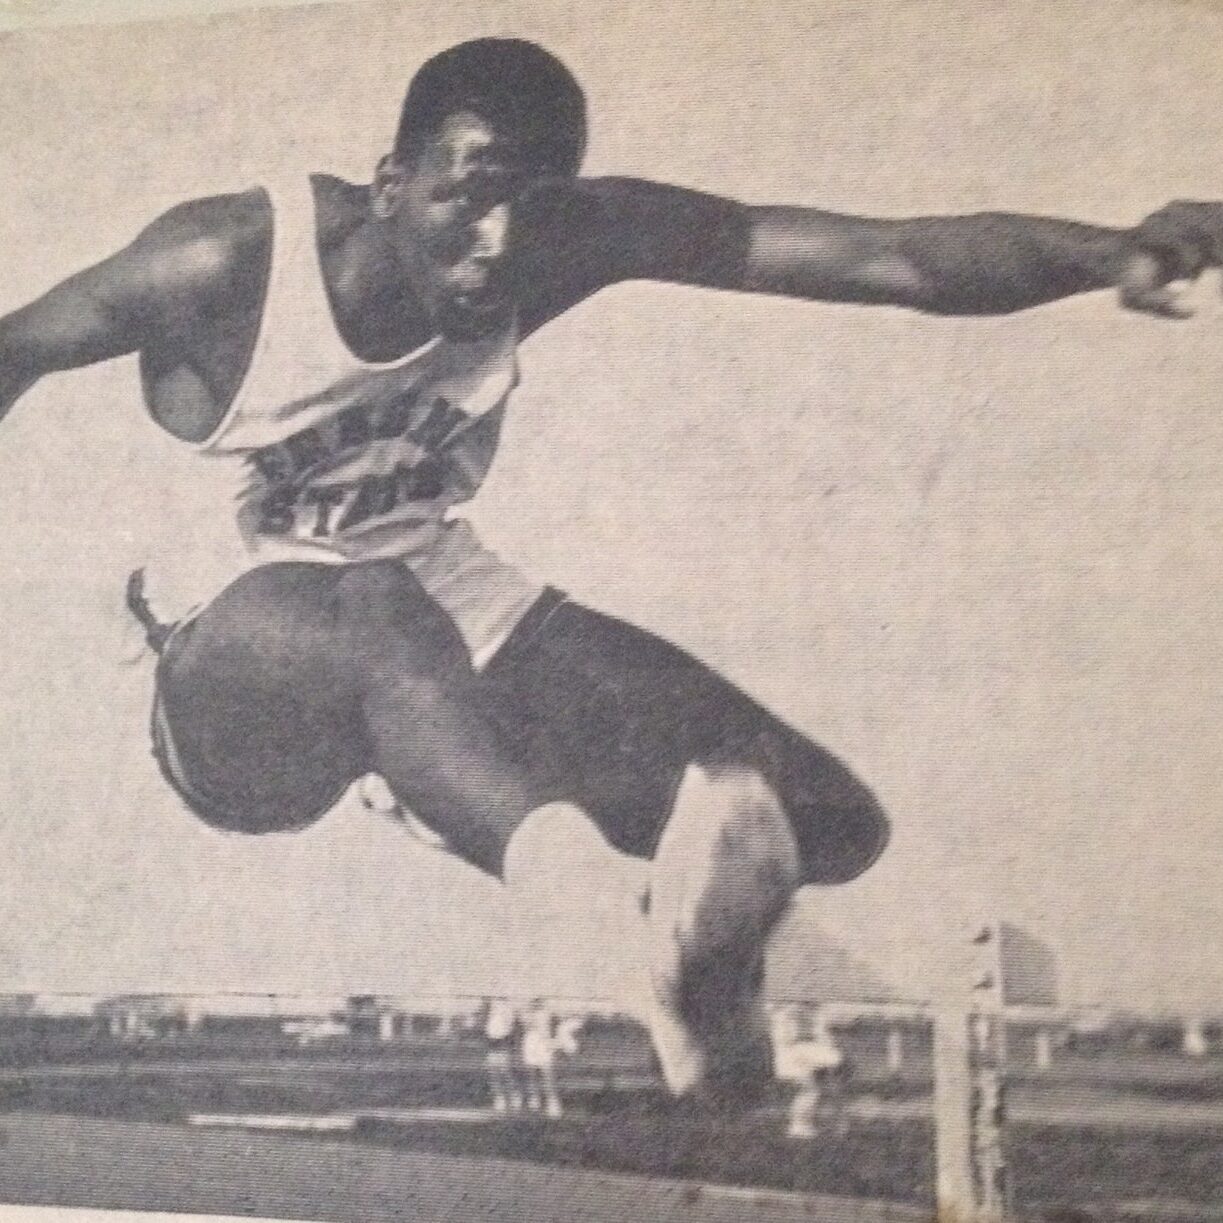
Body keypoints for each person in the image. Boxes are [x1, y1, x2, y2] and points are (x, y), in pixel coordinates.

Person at [1, 37, 1220, 1103]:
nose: (498, 246)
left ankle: (696, 967)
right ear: (390, 181)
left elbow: (885, 260)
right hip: (220, 652)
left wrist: (1106, 247)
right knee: (375, 603)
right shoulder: (227, 258)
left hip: (432, 606)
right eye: (468, 200)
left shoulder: (564, 237)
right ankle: (612, 929)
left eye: (531, 209)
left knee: (808, 813)